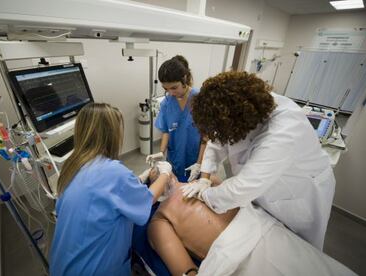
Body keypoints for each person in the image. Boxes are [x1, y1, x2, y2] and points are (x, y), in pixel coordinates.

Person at [181, 71, 335, 250]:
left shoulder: (284, 129)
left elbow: (243, 188)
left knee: (298, 250)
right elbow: (217, 142)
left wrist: (203, 195)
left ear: (236, 121)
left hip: (298, 192)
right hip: (259, 194)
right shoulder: (236, 109)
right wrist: (205, 178)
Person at [49, 103, 173, 276]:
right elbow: (147, 199)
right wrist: (165, 173)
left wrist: (140, 178)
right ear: (111, 134)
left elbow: (102, 192)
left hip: (63, 265)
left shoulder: (73, 166)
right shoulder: (113, 172)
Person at [147, 174, 354, 276]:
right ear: (153, 192)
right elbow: (186, 271)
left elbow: (242, 195)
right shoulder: (160, 218)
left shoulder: (205, 180)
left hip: (267, 231)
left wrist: (207, 178)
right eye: (154, 174)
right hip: (241, 257)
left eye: (162, 168)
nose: (160, 171)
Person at [146, 55, 206, 182]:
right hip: (174, 159)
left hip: (195, 159)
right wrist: (162, 152)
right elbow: (166, 130)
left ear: (184, 79)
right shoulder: (166, 103)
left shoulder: (200, 100)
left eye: (174, 87)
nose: (170, 93)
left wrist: (200, 163)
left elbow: (206, 136)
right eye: (166, 89)